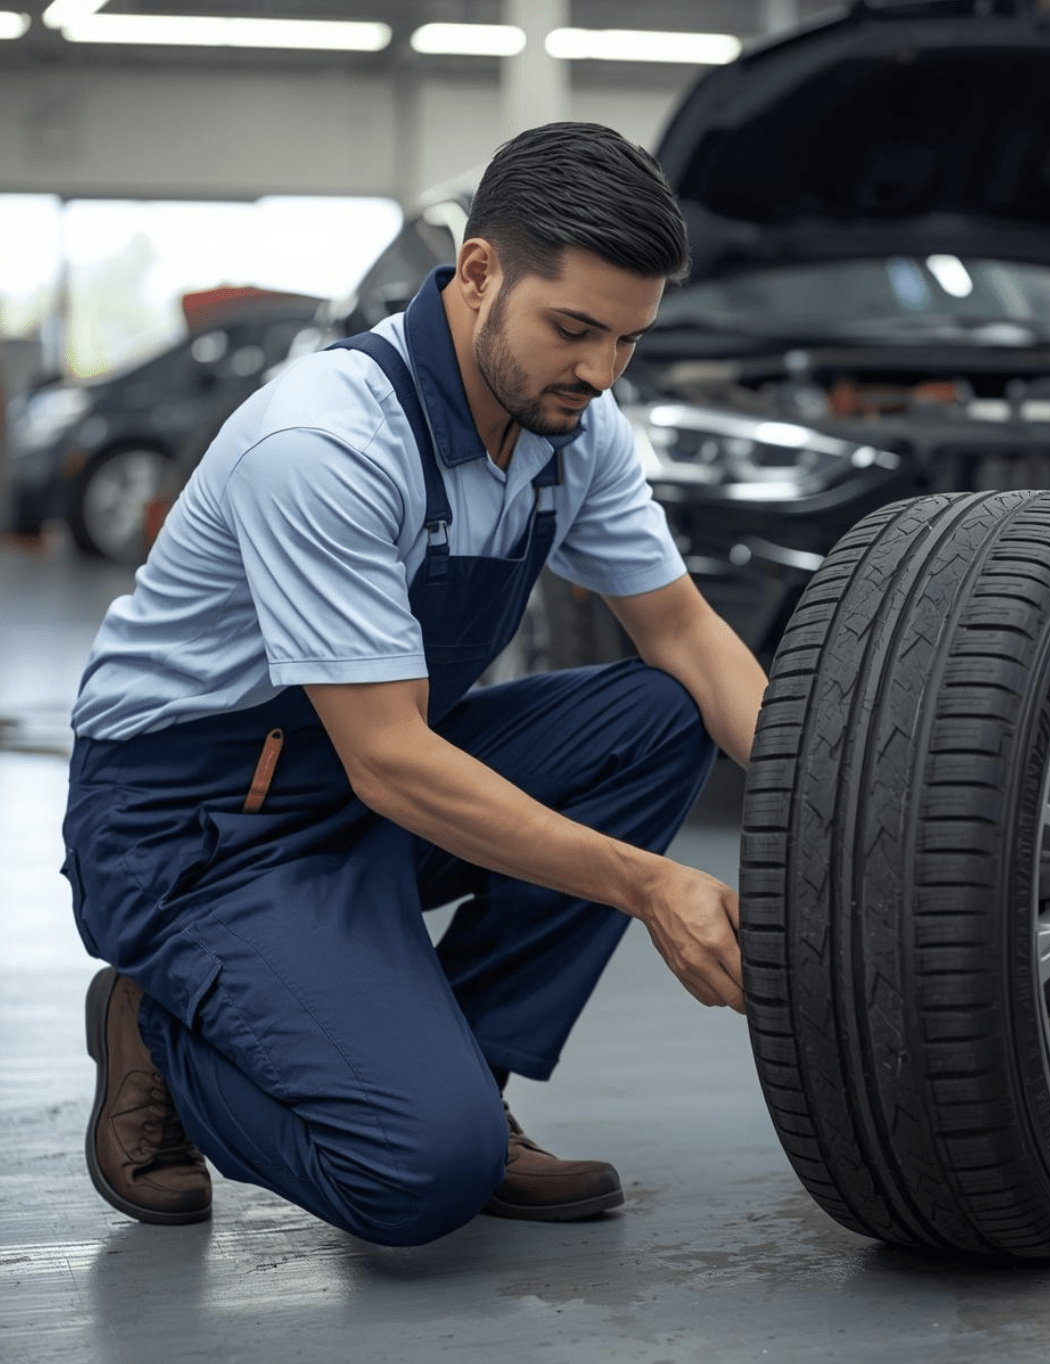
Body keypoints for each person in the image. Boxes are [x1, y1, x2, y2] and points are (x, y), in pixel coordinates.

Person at [61, 121, 769, 1246]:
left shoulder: (573, 426)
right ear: (478, 271)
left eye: (627, 339)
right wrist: (648, 884)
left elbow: (684, 633)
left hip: (359, 775)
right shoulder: (325, 441)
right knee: (415, 1175)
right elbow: (392, 758)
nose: (598, 369)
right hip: (199, 830)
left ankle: (464, 1074)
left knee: (658, 715)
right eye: (573, 328)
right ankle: (164, 1024)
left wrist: (828, 805)